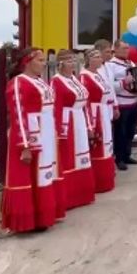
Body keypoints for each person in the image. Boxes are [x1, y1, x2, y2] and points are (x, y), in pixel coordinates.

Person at [1, 48, 62, 233]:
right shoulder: (18, 83)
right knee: (31, 175)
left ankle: (43, 215)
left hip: (45, 130)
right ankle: (29, 220)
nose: (44, 63)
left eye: (44, 60)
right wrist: (25, 146)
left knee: (43, 174)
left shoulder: (39, 82)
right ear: (27, 62)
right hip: (31, 133)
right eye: (40, 60)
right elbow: (18, 114)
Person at [51, 50, 96, 210]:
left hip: (79, 119)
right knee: (69, 157)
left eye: (73, 60)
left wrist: (89, 125)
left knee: (81, 155)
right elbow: (56, 107)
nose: (72, 63)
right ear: (61, 64)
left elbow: (86, 102)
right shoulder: (56, 81)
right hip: (67, 121)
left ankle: (82, 193)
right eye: (69, 61)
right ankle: (69, 196)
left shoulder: (75, 80)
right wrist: (57, 130)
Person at [80, 49, 116, 193]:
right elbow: (86, 100)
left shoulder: (98, 75)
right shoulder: (84, 76)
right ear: (89, 60)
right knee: (98, 145)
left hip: (103, 110)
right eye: (97, 57)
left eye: (101, 57)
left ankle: (106, 178)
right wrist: (90, 122)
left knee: (107, 144)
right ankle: (97, 180)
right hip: (95, 112)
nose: (100, 59)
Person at [105, 40, 137, 170]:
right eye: (124, 48)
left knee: (130, 131)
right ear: (116, 49)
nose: (127, 51)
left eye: (128, 48)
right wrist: (124, 82)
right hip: (121, 102)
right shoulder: (110, 65)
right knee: (120, 132)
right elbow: (109, 86)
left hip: (134, 101)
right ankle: (119, 158)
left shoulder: (130, 63)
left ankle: (127, 155)